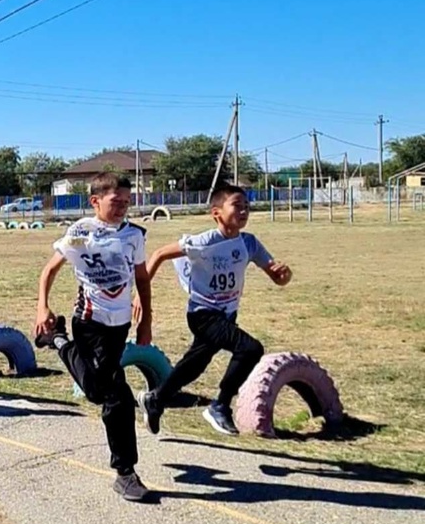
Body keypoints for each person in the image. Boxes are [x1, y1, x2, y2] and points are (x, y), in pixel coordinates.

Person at [137, 182, 292, 437]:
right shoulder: (205, 241)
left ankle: (156, 400)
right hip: (203, 314)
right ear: (216, 213)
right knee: (250, 348)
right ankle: (220, 404)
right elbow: (159, 254)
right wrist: (140, 298)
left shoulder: (249, 243)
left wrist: (284, 276)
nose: (243, 211)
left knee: (193, 366)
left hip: (227, 315)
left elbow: (277, 275)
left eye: (247, 207)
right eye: (237, 206)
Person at [33, 173, 152, 502]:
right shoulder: (81, 232)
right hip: (89, 322)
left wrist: (146, 321)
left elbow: (142, 278)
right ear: (95, 201)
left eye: (127, 203)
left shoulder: (134, 235)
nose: (122, 209)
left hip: (121, 324)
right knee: (113, 394)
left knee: (103, 391)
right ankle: (125, 473)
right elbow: (50, 270)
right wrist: (42, 307)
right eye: (116, 202)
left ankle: (57, 341)